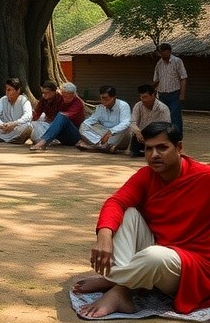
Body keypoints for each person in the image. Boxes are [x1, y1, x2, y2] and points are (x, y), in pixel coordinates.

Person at [73, 122, 210, 318]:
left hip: (191, 265)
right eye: (148, 148)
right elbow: (116, 202)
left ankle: (120, 287)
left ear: (178, 148)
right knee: (127, 213)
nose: (154, 154)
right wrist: (103, 236)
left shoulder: (205, 177)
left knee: (154, 256)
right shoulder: (146, 175)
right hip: (159, 249)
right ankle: (123, 280)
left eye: (162, 147)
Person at [29, 82, 85, 151]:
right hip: (59, 133)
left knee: (61, 116)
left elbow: (65, 116)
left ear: (73, 95)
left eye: (69, 97)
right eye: (64, 96)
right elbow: (38, 112)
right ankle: (42, 141)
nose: (66, 99)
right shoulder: (60, 100)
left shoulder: (77, 103)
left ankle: (42, 142)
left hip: (73, 134)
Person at [77, 85, 131, 153]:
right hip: (103, 136)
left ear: (114, 98)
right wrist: (84, 126)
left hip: (117, 135)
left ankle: (96, 146)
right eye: (101, 98)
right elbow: (91, 120)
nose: (102, 101)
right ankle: (101, 146)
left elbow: (126, 123)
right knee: (83, 126)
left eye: (105, 98)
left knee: (128, 128)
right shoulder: (100, 107)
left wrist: (111, 132)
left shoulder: (123, 105)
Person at [153, 43, 187, 139]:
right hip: (162, 94)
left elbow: (183, 78)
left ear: (169, 51)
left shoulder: (177, 61)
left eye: (164, 52)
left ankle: (177, 137)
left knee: (175, 116)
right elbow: (156, 80)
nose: (162, 54)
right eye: (161, 53)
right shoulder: (159, 64)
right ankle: (165, 136)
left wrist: (182, 94)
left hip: (174, 94)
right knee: (162, 116)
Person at [0, 77, 32, 143]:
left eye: (9, 90)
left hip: (17, 128)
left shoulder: (24, 101)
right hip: (4, 129)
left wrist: (13, 124)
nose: (7, 92)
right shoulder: (2, 100)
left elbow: (28, 116)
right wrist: (2, 125)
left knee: (27, 127)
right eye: (6, 90)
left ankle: (3, 138)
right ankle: (12, 139)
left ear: (18, 91)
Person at [129, 83, 171, 157]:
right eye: (141, 97)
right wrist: (138, 132)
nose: (142, 100)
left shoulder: (163, 109)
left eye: (145, 97)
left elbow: (166, 127)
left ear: (153, 96)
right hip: (140, 136)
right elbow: (132, 122)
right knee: (134, 152)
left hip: (156, 136)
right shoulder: (138, 106)